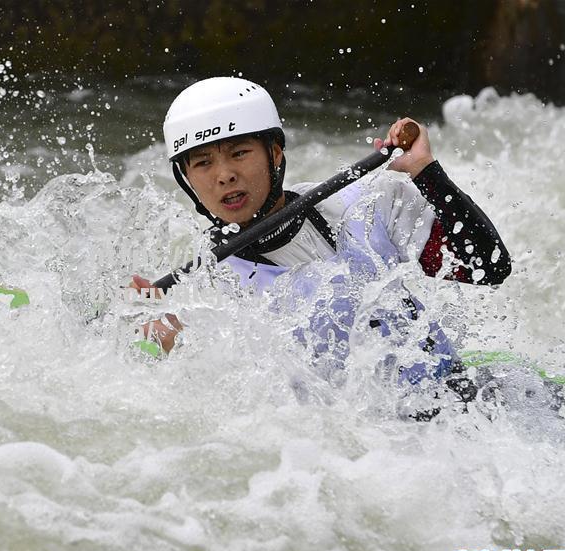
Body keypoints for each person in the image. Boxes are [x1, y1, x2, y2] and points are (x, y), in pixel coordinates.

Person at [132, 77, 511, 385]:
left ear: (275, 154)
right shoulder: (205, 292)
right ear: (187, 180)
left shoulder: (363, 203)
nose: (224, 174)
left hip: (456, 394)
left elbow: (488, 267)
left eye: (239, 153)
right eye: (202, 163)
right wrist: (166, 339)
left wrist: (425, 172)